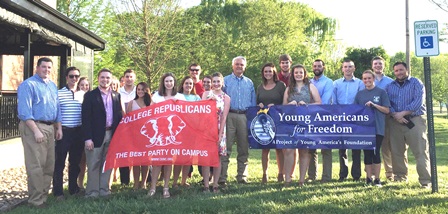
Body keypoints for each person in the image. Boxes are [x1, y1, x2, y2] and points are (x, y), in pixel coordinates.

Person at [17, 57, 62, 208]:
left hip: (50, 127)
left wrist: (58, 127)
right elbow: (24, 111)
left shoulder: (52, 86)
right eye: (44, 67)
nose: (47, 70)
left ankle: (43, 197)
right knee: (36, 165)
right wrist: (36, 131)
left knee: (49, 165)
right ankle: (35, 201)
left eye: (49, 67)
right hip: (34, 127)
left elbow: (57, 109)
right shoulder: (28, 85)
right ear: (37, 68)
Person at [385, 62, 431, 188]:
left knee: (420, 151)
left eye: (401, 70)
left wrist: (403, 113)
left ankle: (425, 181)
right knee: (397, 152)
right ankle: (400, 177)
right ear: (394, 72)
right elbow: (387, 103)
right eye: (396, 70)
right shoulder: (389, 86)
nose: (399, 72)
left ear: (407, 69)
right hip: (395, 122)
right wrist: (396, 115)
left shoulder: (416, 83)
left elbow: (418, 101)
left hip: (415, 120)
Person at [82, 68, 122, 198]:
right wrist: (88, 138)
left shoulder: (116, 95)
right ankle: (92, 192)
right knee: (94, 163)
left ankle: (104, 190)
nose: (105, 80)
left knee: (107, 163)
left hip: (112, 133)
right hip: (95, 135)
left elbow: (119, 115)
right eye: (103, 77)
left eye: (108, 78)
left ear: (111, 80)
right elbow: (85, 118)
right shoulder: (90, 95)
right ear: (98, 78)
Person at [148, 72, 186, 198]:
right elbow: (149, 113)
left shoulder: (180, 97)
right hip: (158, 135)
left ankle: (166, 188)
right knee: (157, 161)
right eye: (166, 81)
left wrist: (178, 104)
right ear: (163, 83)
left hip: (172, 135)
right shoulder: (156, 97)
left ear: (174, 82)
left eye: (171, 81)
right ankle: (152, 188)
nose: (169, 83)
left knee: (169, 161)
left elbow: (186, 115)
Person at [283, 64, 322, 187]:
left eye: (300, 72)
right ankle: (288, 179)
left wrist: (307, 104)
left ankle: (301, 180)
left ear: (304, 74)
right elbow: (283, 106)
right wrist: (291, 104)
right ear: (293, 75)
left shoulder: (311, 86)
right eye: (296, 73)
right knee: (289, 150)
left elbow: (319, 103)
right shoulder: (289, 88)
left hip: (306, 122)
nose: (298, 74)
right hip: (291, 123)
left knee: (304, 151)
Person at [221, 56, 256, 185]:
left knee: (243, 148)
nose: (239, 66)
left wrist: (251, 117)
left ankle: (242, 176)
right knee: (226, 148)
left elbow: (253, 101)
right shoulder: (225, 81)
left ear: (245, 67)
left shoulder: (249, 82)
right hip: (229, 115)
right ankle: (222, 177)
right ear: (232, 66)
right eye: (237, 64)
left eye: (241, 65)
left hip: (244, 116)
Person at [52, 67, 84, 201]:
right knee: (60, 162)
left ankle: (73, 189)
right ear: (66, 77)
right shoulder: (59, 93)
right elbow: (56, 113)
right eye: (71, 76)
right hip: (64, 131)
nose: (74, 79)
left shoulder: (83, 94)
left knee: (75, 162)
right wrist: (58, 128)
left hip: (78, 132)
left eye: (77, 76)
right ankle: (58, 192)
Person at [354, 70, 390, 187]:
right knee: (367, 153)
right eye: (365, 79)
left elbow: (387, 110)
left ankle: (377, 179)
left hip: (377, 128)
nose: (367, 81)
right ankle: (368, 179)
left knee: (376, 152)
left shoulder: (381, 92)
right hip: (364, 130)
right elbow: (354, 110)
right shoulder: (360, 94)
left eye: (369, 78)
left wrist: (374, 105)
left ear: (373, 78)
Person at [333, 59, 365, 182]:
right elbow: (334, 102)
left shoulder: (360, 83)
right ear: (342, 69)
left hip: (355, 118)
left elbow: (361, 100)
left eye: (350, 66)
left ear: (354, 68)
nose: (347, 69)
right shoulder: (336, 83)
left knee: (356, 149)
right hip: (340, 119)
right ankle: (343, 174)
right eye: (345, 67)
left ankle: (356, 175)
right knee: (342, 149)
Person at [256, 63, 286, 184]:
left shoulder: (280, 86)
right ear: (263, 73)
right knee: (265, 148)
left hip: (278, 119)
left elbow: (286, 102)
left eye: (270, 71)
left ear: (274, 72)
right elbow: (256, 103)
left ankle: (281, 173)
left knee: (279, 148)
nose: (268, 73)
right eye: (265, 71)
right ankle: (264, 174)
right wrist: (259, 105)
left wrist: (277, 106)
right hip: (264, 120)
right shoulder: (260, 87)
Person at [202, 72, 230, 193]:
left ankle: (215, 184)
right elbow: (202, 112)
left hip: (220, 129)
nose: (216, 84)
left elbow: (224, 117)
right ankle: (206, 185)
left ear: (222, 83)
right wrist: (210, 101)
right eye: (214, 81)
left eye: (219, 81)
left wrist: (220, 135)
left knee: (217, 157)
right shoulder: (206, 94)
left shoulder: (226, 98)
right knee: (206, 157)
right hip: (207, 129)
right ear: (211, 83)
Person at [172, 76, 201, 188]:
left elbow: (201, 112)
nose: (188, 86)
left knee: (188, 157)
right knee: (179, 158)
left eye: (190, 84)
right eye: (186, 83)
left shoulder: (196, 97)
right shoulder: (177, 96)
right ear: (182, 85)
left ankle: (184, 181)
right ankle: (175, 181)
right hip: (179, 131)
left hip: (192, 131)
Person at [308, 59, 334, 183]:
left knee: (326, 149)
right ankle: (311, 176)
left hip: (324, 118)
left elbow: (324, 101)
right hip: (310, 119)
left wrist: (309, 105)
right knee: (310, 148)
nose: (317, 67)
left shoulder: (329, 82)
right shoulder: (308, 82)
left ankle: (326, 177)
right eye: (315, 66)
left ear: (323, 67)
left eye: (319, 66)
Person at [371, 56, 395, 181]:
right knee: (371, 146)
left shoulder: (390, 82)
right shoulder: (368, 80)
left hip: (385, 117)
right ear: (372, 66)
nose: (378, 66)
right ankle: (372, 173)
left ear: (383, 66)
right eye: (375, 64)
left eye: (380, 64)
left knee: (386, 146)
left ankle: (389, 173)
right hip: (370, 119)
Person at [126, 82, 152, 190]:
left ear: (146, 91)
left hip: (147, 136)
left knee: (146, 160)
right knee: (136, 160)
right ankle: (136, 183)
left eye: (142, 89)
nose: (140, 91)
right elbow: (127, 119)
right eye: (138, 89)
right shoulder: (132, 103)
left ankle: (144, 183)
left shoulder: (151, 103)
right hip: (135, 135)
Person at [118, 69, 137, 186]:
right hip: (122, 127)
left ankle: (145, 180)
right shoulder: (118, 92)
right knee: (123, 153)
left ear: (134, 78)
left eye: (131, 77)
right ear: (123, 78)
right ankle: (124, 181)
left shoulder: (139, 91)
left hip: (138, 127)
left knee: (140, 152)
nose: (129, 79)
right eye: (127, 76)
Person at [75, 76, 90, 190]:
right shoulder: (76, 96)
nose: (84, 87)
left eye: (86, 85)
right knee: (78, 160)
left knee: (86, 159)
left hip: (88, 130)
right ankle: (77, 182)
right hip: (77, 129)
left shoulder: (91, 97)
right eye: (82, 85)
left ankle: (85, 182)